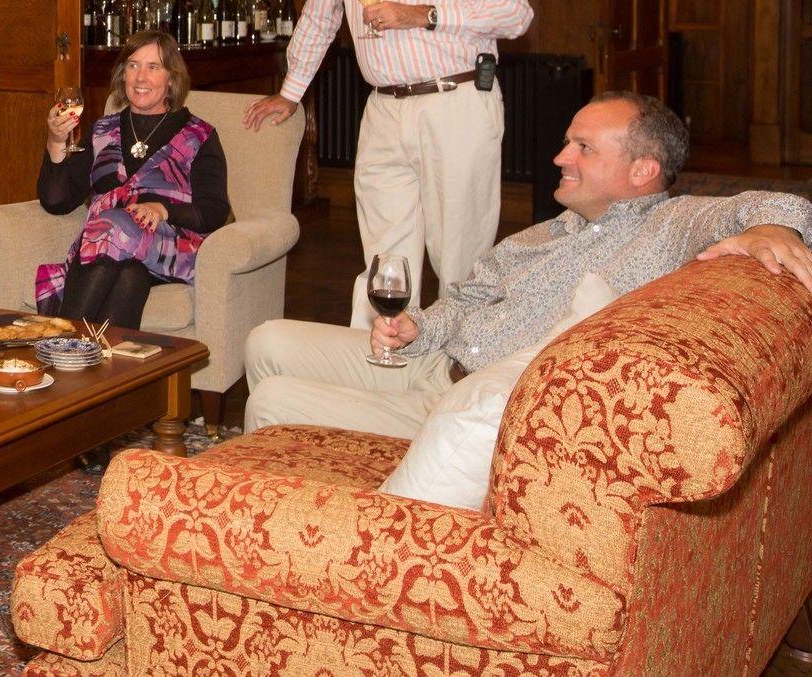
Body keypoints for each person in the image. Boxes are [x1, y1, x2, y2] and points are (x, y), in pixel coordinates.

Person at [242, 92, 812, 438]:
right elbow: (465, 298)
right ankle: (313, 466)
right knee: (266, 340)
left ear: (643, 171)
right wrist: (420, 328)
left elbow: (774, 203)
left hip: (464, 407)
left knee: (272, 400)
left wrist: (774, 228)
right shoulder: (551, 229)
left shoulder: (668, 225)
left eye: (584, 148)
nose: (560, 157)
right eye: (568, 142)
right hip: (436, 361)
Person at [243, 0, 533, 325]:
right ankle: (379, 368)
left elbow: (516, 13)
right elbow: (321, 13)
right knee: (385, 257)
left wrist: (424, 15)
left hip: (456, 103)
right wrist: (291, 92)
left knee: (460, 257)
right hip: (382, 108)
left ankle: (455, 378)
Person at [35, 30, 231, 327]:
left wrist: (162, 209)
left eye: (153, 67)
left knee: (115, 222)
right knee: (130, 277)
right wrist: (55, 141)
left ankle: (59, 338)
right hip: (112, 252)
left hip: (169, 246)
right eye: (133, 65)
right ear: (122, 74)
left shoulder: (198, 136)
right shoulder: (103, 131)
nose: (140, 77)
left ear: (171, 79)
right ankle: (102, 368)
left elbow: (215, 210)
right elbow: (57, 201)